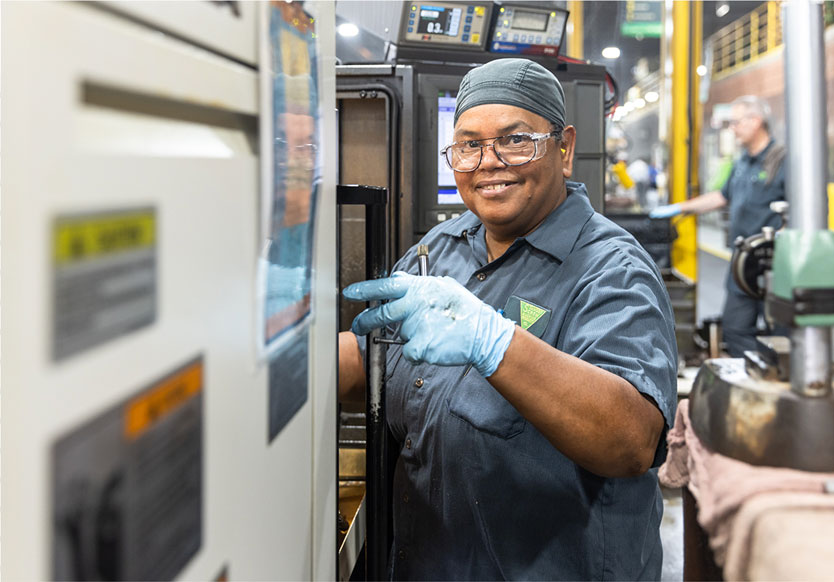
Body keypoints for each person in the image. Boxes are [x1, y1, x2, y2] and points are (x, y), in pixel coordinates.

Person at [339, 58, 678, 580]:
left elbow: (630, 439)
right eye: (469, 145)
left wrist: (495, 342)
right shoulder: (439, 250)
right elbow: (372, 357)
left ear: (563, 149)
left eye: (515, 140)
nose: (489, 162)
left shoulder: (612, 269)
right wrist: (270, 350)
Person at [650, 95, 786, 357]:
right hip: (743, 262)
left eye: (735, 122)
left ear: (756, 121)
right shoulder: (741, 162)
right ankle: (750, 380)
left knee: (779, 332)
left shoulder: (781, 161)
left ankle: (778, 380)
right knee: (735, 329)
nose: (732, 128)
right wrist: (681, 208)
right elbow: (721, 197)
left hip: (775, 264)